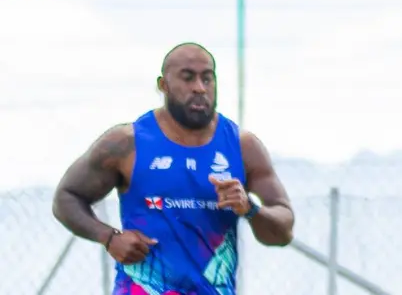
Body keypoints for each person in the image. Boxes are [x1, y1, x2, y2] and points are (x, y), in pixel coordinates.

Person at [51, 42, 295, 295]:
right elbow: (65, 198)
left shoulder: (242, 146)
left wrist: (250, 209)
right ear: (163, 85)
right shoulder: (127, 143)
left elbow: (283, 231)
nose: (199, 88)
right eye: (187, 78)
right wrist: (109, 237)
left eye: (207, 78)